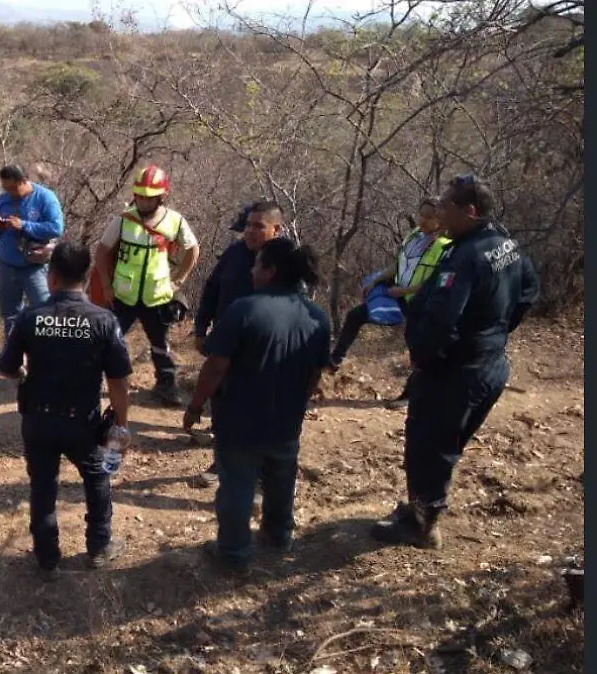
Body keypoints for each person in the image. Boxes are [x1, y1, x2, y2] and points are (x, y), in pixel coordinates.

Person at [371, 174, 539, 550]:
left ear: (470, 211)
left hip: (456, 370)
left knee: (429, 443)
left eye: (447, 205)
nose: (440, 210)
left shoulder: (466, 256)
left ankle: (423, 524)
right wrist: (496, 330)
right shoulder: (504, 243)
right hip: (489, 363)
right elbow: (529, 290)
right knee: (442, 442)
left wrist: (425, 356)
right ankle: (419, 509)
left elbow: (442, 317)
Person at [182, 239, 330, 572]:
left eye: (257, 263)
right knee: (281, 476)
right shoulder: (317, 317)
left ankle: (233, 554)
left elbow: (216, 366)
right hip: (287, 418)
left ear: (271, 270)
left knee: (237, 483)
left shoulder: (245, 309)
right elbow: (315, 373)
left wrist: (195, 406)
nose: (252, 269)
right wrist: (298, 405)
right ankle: (278, 536)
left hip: (241, 417)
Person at [0, 241, 133, 581]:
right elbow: (118, 381)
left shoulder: (31, 317)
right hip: (83, 423)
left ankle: (46, 558)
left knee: (43, 487)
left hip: (39, 420)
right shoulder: (104, 320)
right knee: (98, 478)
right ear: (86, 279)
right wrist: (121, 423)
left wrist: (24, 375)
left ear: (51, 277)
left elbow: (8, 367)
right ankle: (99, 547)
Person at [189, 200, 286, 482]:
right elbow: (211, 289)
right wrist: (200, 329)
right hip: (225, 344)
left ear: (275, 229)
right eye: (248, 225)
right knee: (221, 404)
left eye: (259, 226)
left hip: (264, 351)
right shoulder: (234, 253)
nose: (251, 232)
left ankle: (261, 472)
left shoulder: (285, 260)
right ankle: (222, 462)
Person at [329, 198, 452, 409]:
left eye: (430, 217)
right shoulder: (414, 236)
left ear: (440, 220)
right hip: (398, 295)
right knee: (356, 315)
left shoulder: (444, 247)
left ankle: (411, 395)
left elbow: (435, 283)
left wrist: (403, 291)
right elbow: (397, 265)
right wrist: (376, 281)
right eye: (421, 214)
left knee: (418, 347)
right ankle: (334, 360)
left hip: (421, 303)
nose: (423, 219)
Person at [94, 165, 199, 407]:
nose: (142, 201)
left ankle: (166, 386)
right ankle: (95, 380)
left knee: (160, 345)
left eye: (148, 197)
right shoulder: (123, 219)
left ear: (162, 196)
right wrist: (107, 286)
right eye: (139, 195)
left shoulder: (174, 221)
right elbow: (102, 252)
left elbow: (193, 249)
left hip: (157, 296)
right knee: (108, 339)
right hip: (123, 295)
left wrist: (178, 280)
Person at [0, 165, 66, 335]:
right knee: (10, 314)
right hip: (7, 264)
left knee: (44, 313)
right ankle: (16, 357)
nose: (9, 192)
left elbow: (56, 228)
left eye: (13, 188)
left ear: (24, 181)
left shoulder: (45, 198)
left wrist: (23, 225)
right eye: (6, 188)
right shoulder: (4, 199)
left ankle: (45, 355)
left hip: (34, 266)